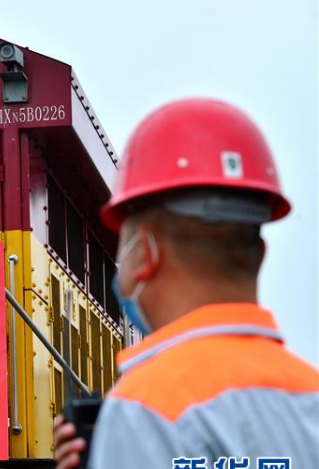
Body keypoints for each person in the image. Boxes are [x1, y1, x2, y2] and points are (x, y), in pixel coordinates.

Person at [54, 99, 319, 469]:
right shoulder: (310, 394)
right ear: (260, 255)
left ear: (145, 253)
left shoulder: (144, 407)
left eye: (123, 248)